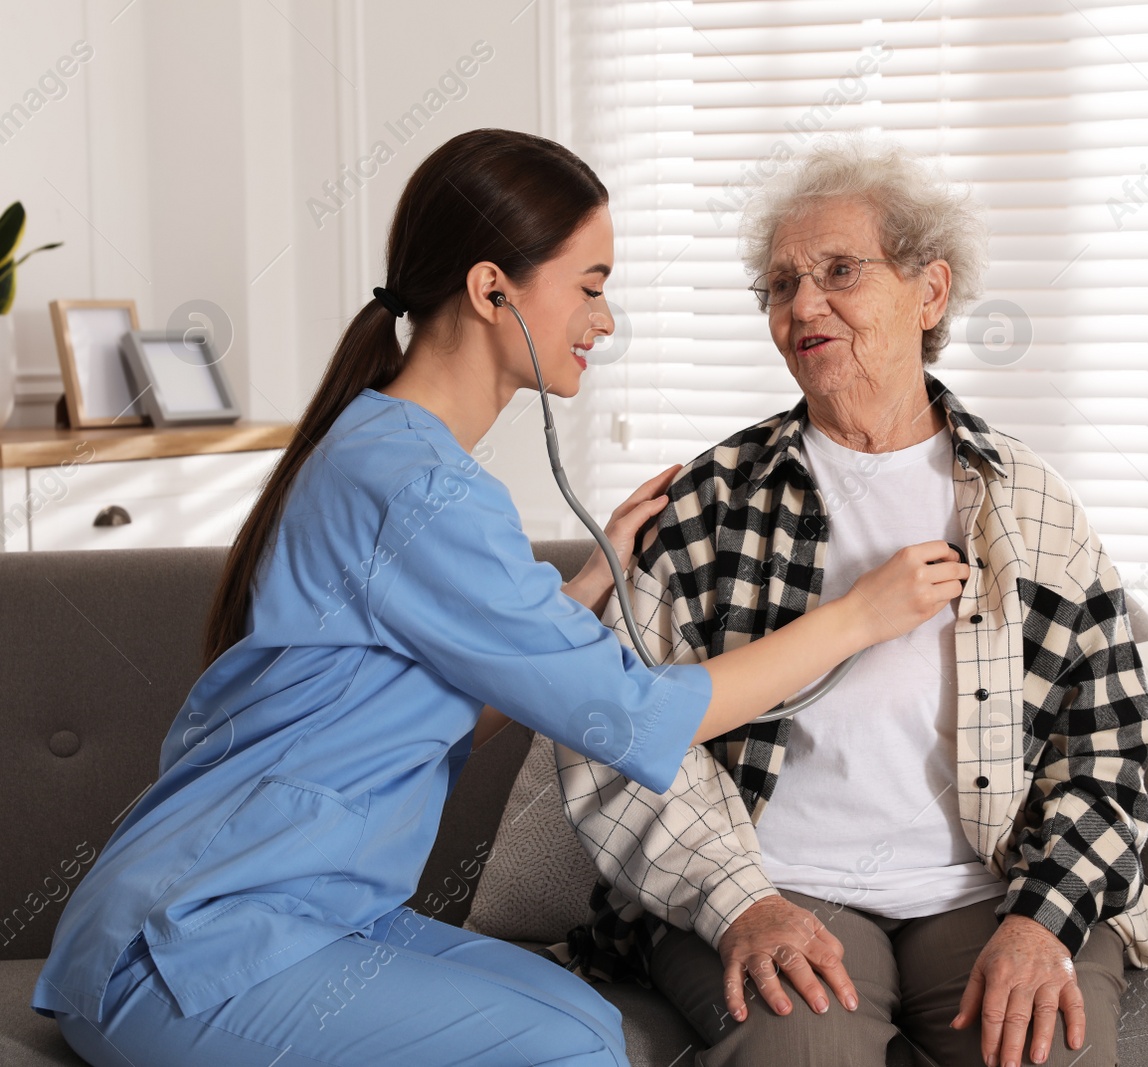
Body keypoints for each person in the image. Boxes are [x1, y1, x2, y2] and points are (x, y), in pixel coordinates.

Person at [30, 128, 967, 1067]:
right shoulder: (415, 486)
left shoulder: (391, 454)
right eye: (591, 285)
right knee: (574, 1052)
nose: (603, 323)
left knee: (595, 1025)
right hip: (188, 947)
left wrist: (584, 587)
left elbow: (421, 712)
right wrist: (856, 617)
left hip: (304, 914)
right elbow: (637, 712)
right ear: (492, 291)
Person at [556, 137, 1148, 1067]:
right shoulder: (708, 504)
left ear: (929, 293)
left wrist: (1043, 920)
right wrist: (741, 903)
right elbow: (616, 741)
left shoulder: (1027, 504)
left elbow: (1107, 744)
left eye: (839, 271)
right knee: (800, 1052)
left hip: (983, 888)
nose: (803, 304)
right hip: (772, 880)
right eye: (780, 285)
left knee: (1045, 1049)